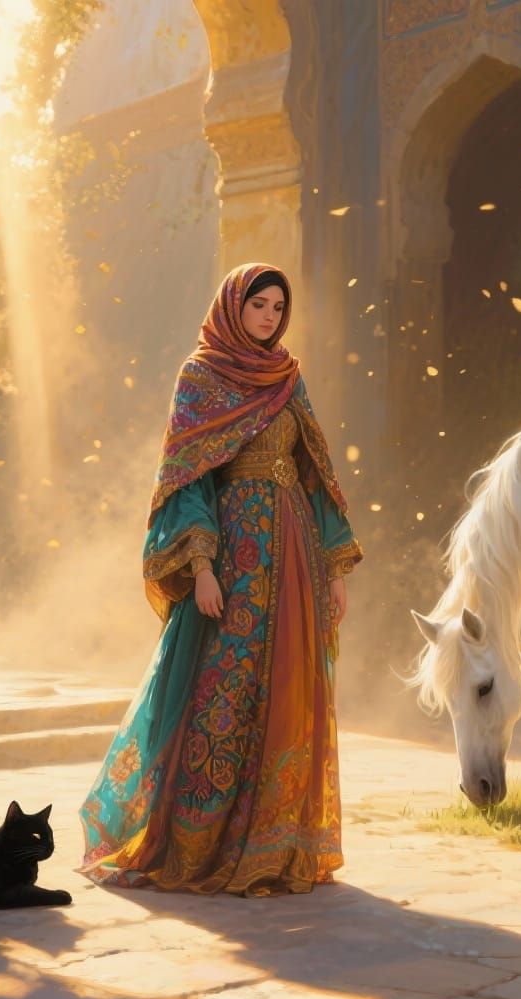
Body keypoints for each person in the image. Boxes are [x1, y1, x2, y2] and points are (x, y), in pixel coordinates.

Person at [77, 262, 362, 896]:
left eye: (277, 308)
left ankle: (277, 844)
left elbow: (314, 476)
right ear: (235, 306)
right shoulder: (200, 377)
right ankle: (201, 839)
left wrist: (334, 568)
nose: (269, 317)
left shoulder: (288, 379)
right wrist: (201, 567)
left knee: (290, 689)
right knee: (220, 693)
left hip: (292, 558)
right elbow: (186, 481)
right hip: (231, 558)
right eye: (258, 304)